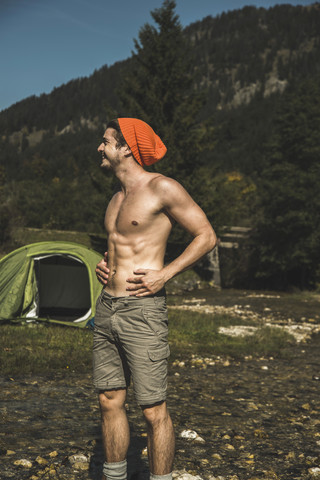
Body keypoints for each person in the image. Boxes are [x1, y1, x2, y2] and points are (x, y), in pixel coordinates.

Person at [94, 118, 217, 480]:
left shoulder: (162, 188)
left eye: (105, 142)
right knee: (109, 401)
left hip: (142, 311)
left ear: (126, 147)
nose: (99, 148)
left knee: (152, 410)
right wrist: (104, 264)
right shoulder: (116, 198)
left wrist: (165, 274)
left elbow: (206, 236)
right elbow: (119, 246)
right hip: (107, 308)